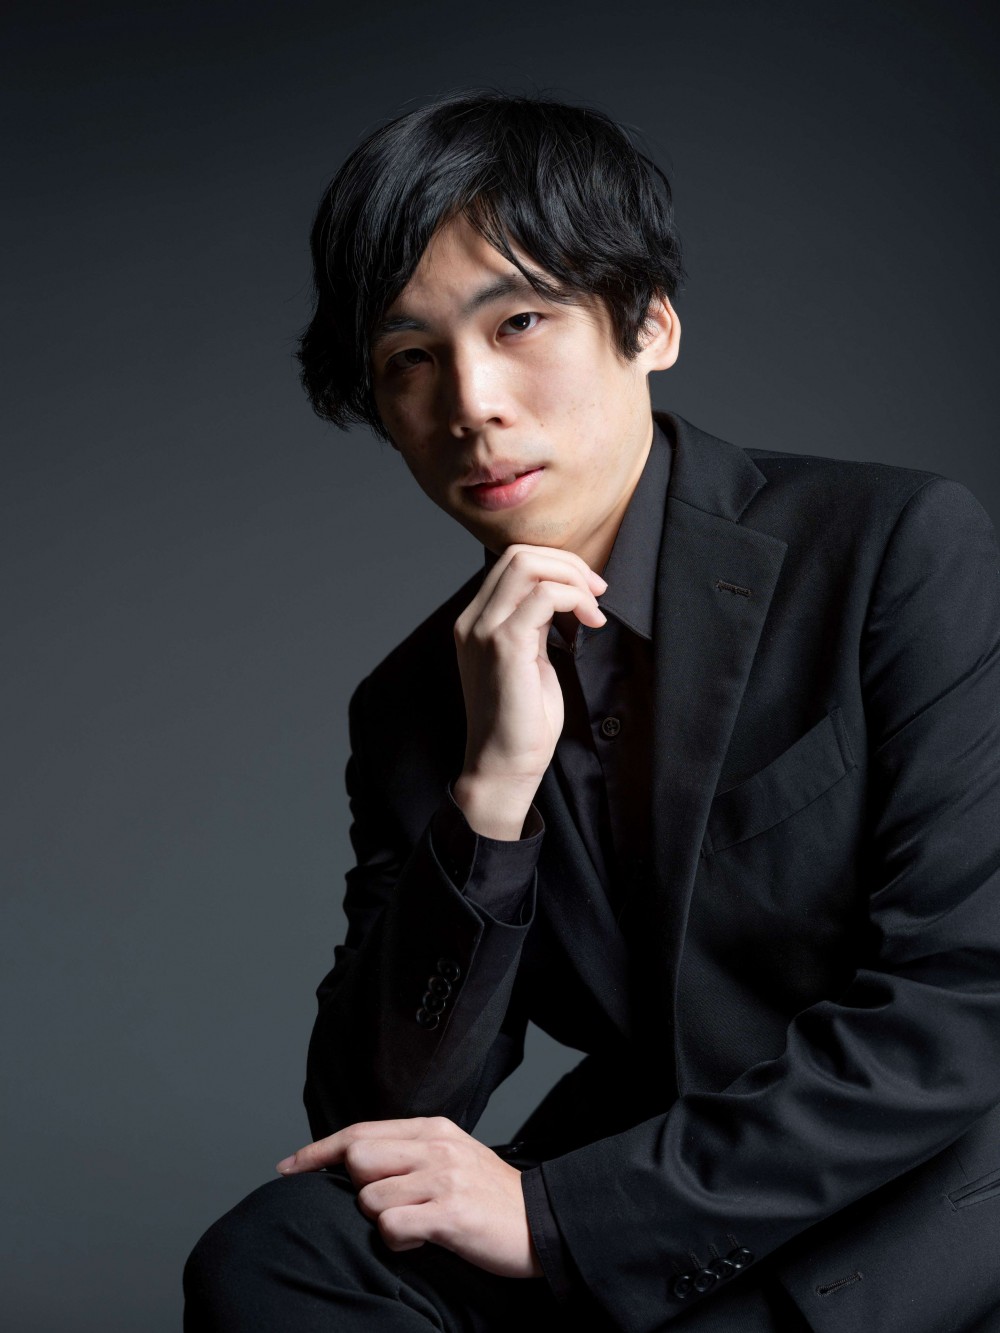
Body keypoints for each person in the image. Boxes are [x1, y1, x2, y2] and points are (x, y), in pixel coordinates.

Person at [183, 89, 1000, 1332]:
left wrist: (563, 1219)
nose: (470, 401)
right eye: (410, 360)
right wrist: (491, 794)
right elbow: (377, 1117)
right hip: (638, 1186)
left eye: (518, 321)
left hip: (903, 1203)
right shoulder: (413, 700)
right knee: (283, 1250)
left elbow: (963, 1000)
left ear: (649, 321)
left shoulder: (890, 548)